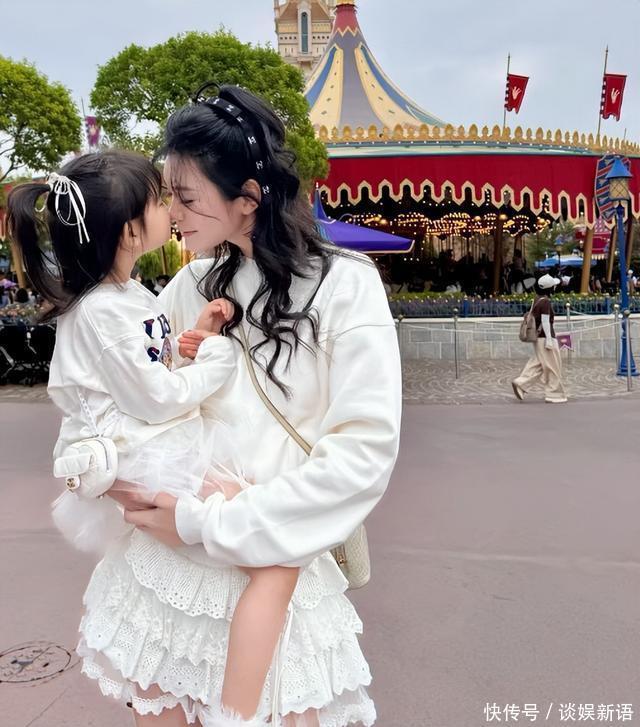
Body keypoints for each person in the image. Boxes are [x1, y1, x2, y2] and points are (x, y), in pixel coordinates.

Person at [108, 83, 402, 726]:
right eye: (169, 197)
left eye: (187, 197)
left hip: (272, 563)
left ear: (249, 196)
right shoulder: (189, 284)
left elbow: (362, 454)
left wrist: (208, 522)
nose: (173, 214)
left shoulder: (345, 286)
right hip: (173, 574)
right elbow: (130, 398)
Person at [7, 149, 312, 727]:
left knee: (266, 548)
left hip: (154, 443)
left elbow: (150, 369)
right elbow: (155, 397)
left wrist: (196, 333)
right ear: (128, 231)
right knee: (276, 551)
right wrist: (217, 359)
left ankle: (229, 699)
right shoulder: (101, 311)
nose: (170, 209)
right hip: (144, 451)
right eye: (157, 200)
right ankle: (238, 709)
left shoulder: (128, 297)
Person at [512, 274, 568, 404]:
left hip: (539, 338)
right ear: (550, 288)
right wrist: (549, 340)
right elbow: (545, 321)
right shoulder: (545, 302)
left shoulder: (537, 299)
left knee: (538, 364)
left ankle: (521, 383)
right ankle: (554, 394)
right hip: (545, 338)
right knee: (553, 367)